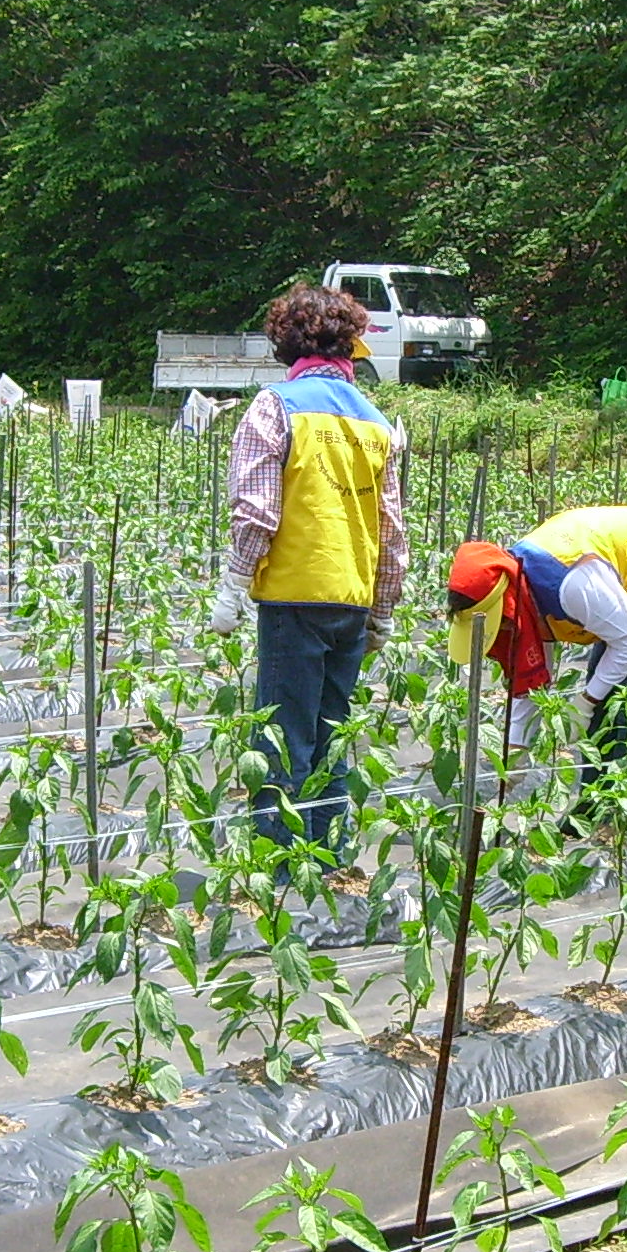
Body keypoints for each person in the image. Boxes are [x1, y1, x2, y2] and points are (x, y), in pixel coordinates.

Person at [206, 284, 408, 857]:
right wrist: (384, 611)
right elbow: (391, 529)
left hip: (294, 596)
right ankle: (329, 855)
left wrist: (232, 586)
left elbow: (256, 510)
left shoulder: (276, 406)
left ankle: (279, 865)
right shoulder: (375, 420)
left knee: (282, 735)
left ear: (286, 344)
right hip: (354, 594)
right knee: (332, 733)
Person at [446, 507, 627, 762]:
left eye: (500, 624)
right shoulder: (520, 591)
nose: (501, 633)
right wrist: (517, 746)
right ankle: (592, 807)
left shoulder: (572, 587)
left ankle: (619, 809)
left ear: (507, 607)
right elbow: (529, 670)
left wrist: (586, 701)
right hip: (626, 580)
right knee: (606, 690)